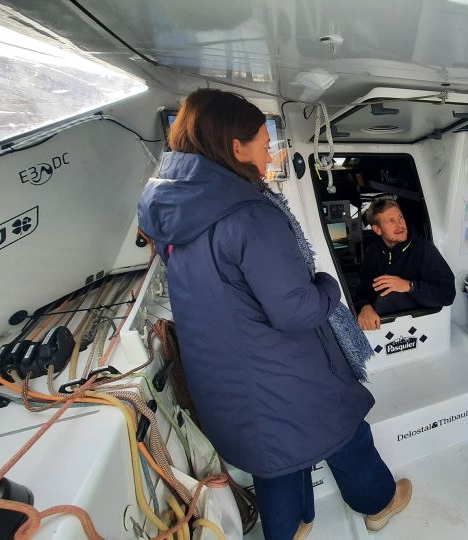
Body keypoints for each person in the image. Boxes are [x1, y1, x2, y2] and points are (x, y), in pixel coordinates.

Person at [137, 89, 411, 540]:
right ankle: (379, 503)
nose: (271, 154)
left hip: (223, 375)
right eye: (265, 145)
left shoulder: (166, 207)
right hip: (281, 370)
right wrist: (327, 285)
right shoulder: (250, 214)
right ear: (235, 148)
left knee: (274, 460)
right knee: (344, 433)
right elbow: (297, 311)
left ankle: (291, 527)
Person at [354, 197, 456, 331]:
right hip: (379, 329)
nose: (400, 225)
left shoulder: (423, 249)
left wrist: (410, 286)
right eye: (391, 221)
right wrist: (365, 306)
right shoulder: (373, 252)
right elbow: (363, 288)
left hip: (419, 328)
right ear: (377, 229)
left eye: (400, 217)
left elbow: (447, 294)